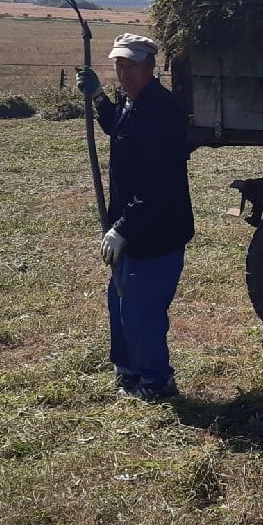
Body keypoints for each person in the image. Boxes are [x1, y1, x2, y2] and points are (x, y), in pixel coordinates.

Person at [77, 33, 194, 402]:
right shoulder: (135, 103)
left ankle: (157, 382)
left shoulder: (161, 112)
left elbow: (157, 186)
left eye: (131, 65)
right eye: (118, 65)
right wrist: (98, 98)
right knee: (121, 301)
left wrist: (121, 229)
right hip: (131, 229)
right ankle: (129, 370)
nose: (123, 72)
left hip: (156, 231)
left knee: (142, 308)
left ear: (150, 66)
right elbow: (120, 128)